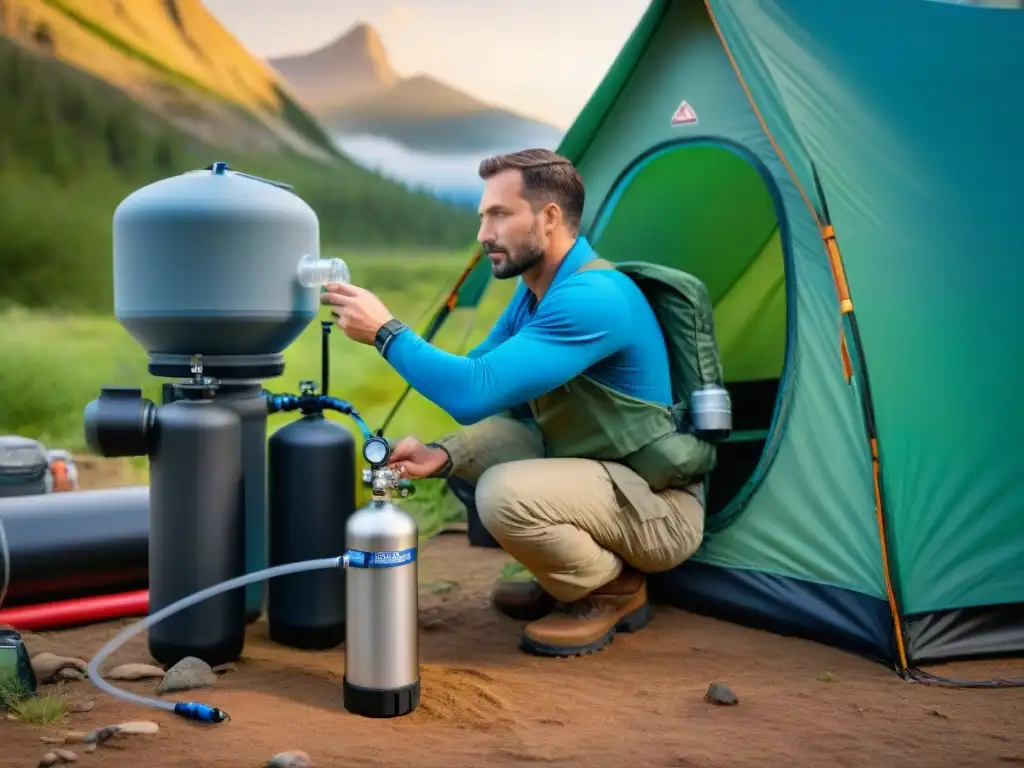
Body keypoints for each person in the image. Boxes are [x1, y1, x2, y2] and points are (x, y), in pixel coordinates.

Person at [321, 148, 706, 658]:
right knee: (467, 449)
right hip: (604, 477)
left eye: (500, 214)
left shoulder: (595, 297)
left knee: (503, 493)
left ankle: (610, 590)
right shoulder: (533, 297)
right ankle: (568, 576)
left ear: (548, 218)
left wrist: (386, 333)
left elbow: (469, 390)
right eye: (483, 216)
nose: (483, 234)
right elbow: (480, 382)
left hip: (660, 510)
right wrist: (443, 453)